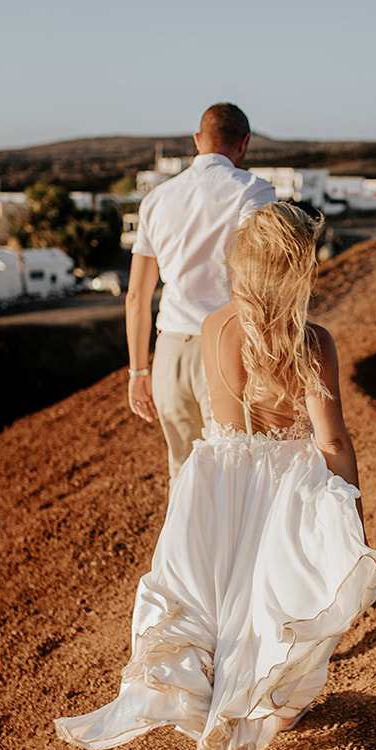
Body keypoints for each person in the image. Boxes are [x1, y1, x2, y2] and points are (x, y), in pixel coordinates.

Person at [56, 203, 376, 750]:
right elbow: (332, 439)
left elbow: (221, 420)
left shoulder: (211, 327)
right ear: (296, 270)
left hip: (215, 482)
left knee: (213, 616)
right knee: (269, 614)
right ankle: (261, 733)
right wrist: (351, 512)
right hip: (285, 489)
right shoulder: (311, 343)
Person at [126, 103, 277, 480]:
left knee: (183, 471)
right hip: (228, 346)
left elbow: (136, 297)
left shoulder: (156, 200)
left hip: (170, 353)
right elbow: (255, 279)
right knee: (234, 469)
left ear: (198, 141)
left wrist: (137, 370)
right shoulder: (254, 192)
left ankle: (183, 542)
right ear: (243, 144)